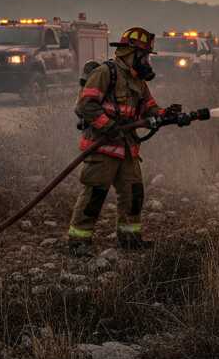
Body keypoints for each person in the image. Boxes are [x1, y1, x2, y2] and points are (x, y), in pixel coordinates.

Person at [67, 26, 181, 254]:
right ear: (130, 53)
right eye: (144, 55)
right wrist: (108, 126)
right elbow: (85, 106)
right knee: (95, 194)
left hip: (128, 148)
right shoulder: (105, 73)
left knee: (133, 194)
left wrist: (165, 114)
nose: (146, 60)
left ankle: (130, 239)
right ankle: (79, 241)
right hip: (103, 148)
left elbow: (149, 107)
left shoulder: (138, 81)